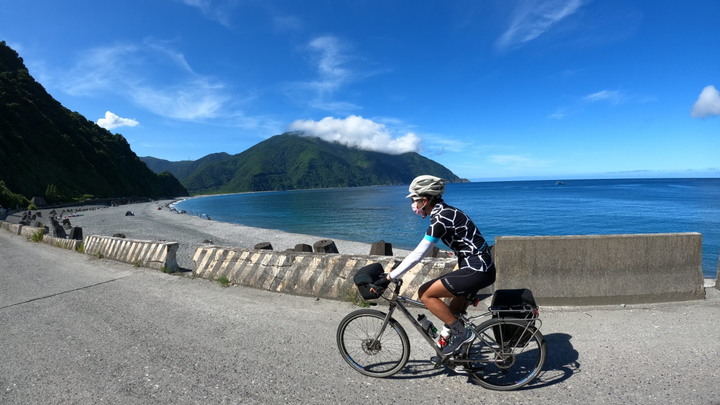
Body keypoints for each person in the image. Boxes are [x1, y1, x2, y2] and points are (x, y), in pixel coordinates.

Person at [374, 175, 495, 356]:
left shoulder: (441, 218)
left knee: (426, 293)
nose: (413, 205)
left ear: (425, 199)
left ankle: (462, 334)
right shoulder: (445, 212)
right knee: (453, 313)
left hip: (476, 269)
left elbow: (419, 254)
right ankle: (457, 355)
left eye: (415, 200)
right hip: (478, 267)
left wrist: (390, 277)